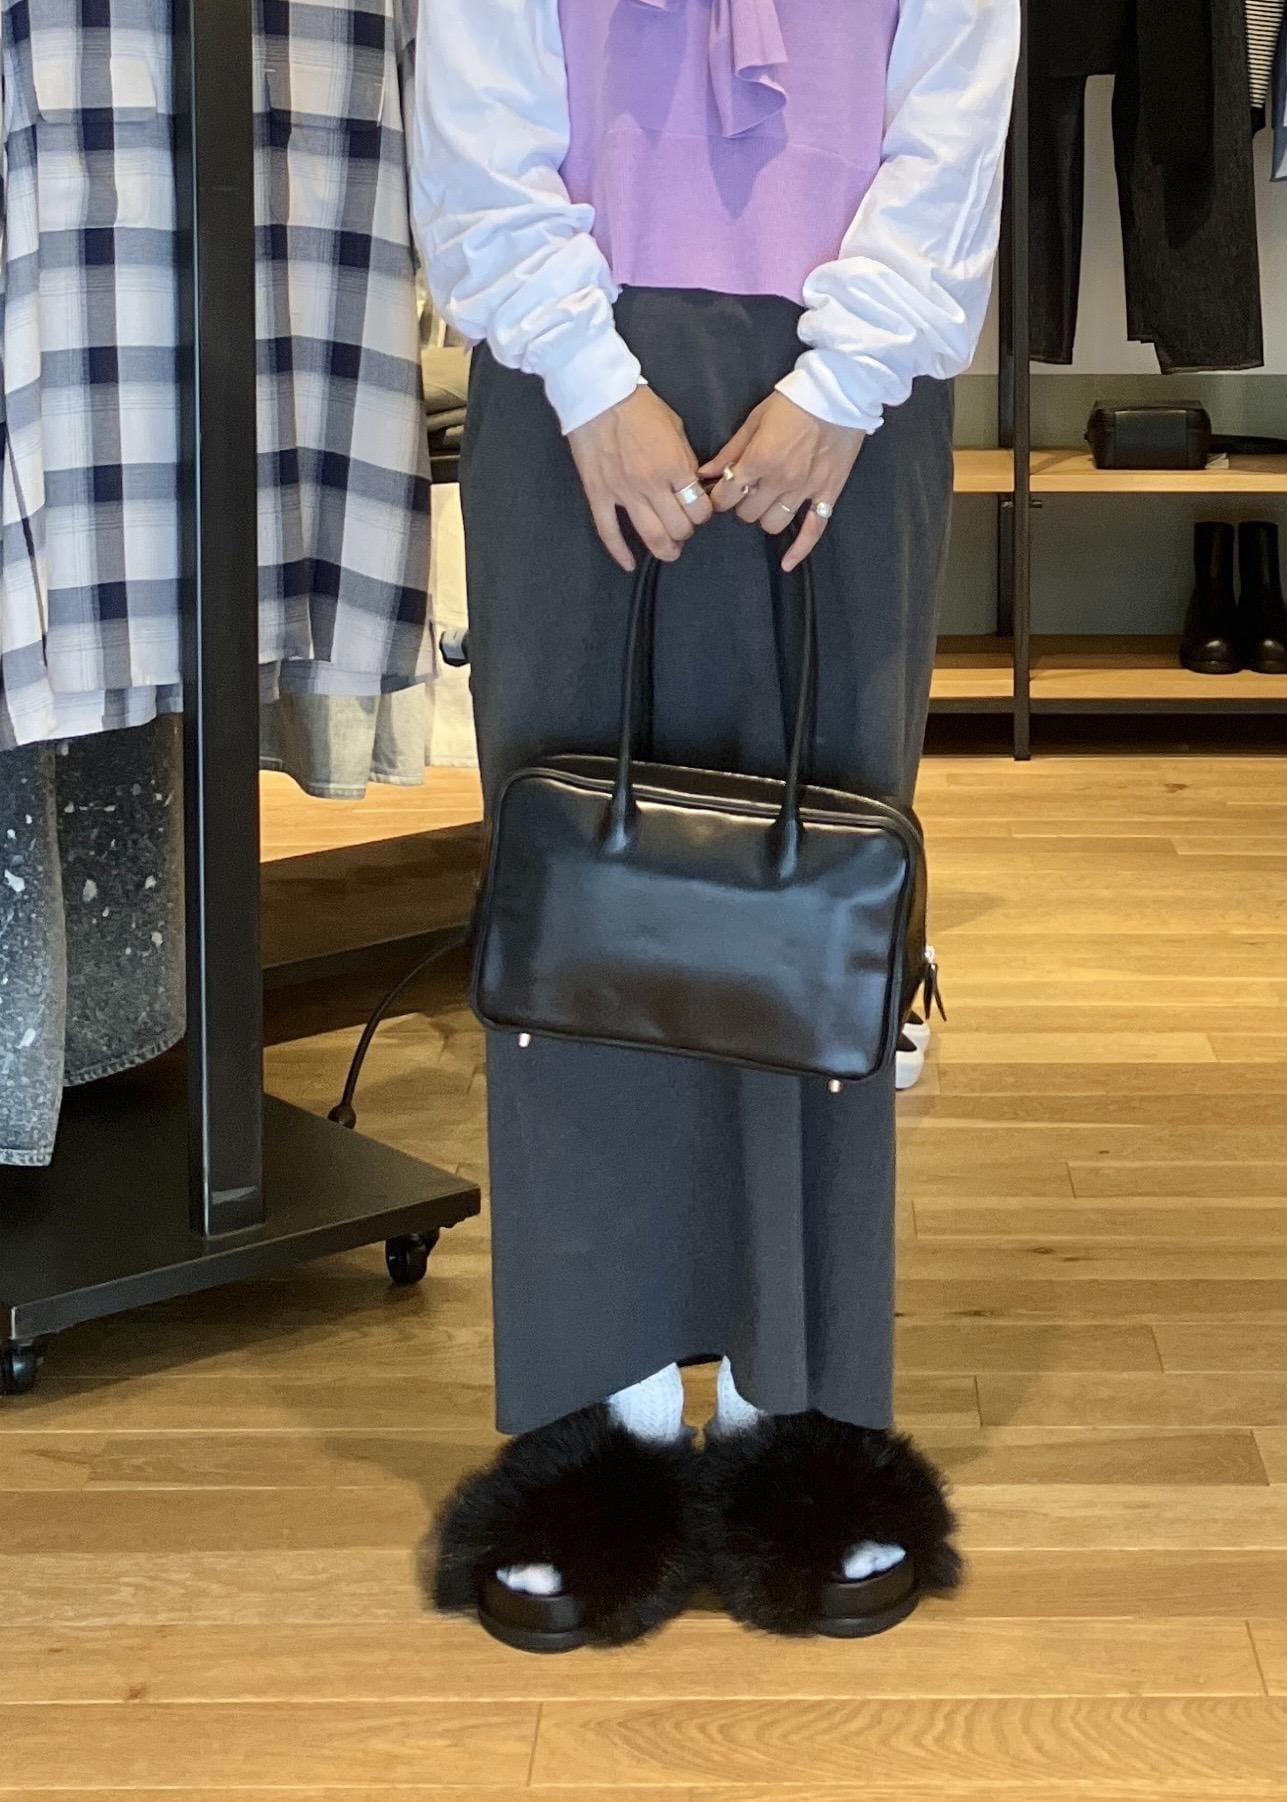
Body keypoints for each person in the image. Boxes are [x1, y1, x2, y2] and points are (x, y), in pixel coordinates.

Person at [412, 0, 1020, 1654]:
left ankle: (793, 1411)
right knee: (581, 899)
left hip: (852, 401)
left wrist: (844, 380)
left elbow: (953, 114)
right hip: (572, 388)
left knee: (811, 902)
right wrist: (589, 377)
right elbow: (477, 112)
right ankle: (594, 1418)